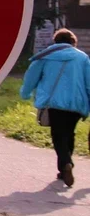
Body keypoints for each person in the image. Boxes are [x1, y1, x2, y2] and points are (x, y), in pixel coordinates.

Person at [20, 28, 90, 187]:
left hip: (54, 103)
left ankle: (66, 164)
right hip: (77, 105)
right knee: (69, 133)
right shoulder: (83, 58)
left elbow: (31, 77)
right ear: (73, 42)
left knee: (58, 135)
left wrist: (25, 93)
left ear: (55, 42)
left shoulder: (45, 56)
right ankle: (64, 169)